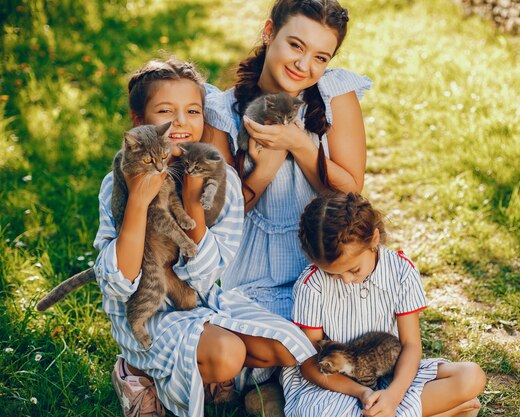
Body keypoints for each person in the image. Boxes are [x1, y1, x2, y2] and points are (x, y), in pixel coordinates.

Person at [93, 58, 316, 417]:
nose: (180, 122)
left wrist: (194, 199)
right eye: (166, 110)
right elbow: (119, 285)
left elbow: (206, 274)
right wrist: (137, 200)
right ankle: (135, 371)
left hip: (201, 300)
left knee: (293, 348)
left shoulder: (221, 176)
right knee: (229, 354)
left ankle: (196, 370)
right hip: (148, 313)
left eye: (193, 110)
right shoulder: (116, 184)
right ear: (138, 121)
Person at [203, 0, 371, 321]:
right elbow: (217, 218)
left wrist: (299, 144)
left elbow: (350, 195)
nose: (304, 65)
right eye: (296, 45)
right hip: (255, 280)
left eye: (320, 57)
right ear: (269, 33)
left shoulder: (335, 96)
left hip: (328, 269)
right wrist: (264, 171)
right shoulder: (223, 113)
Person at [281, 192, 487, 417]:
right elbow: (310, 362)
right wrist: (362, 393)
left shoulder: (401, 271)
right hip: (335, 383)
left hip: (387, 372)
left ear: (374, 240)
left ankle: (395, 410)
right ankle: (443, 411)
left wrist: (393, 396)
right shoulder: (311, 285)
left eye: (353, 270)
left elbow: (411, 345)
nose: (347, 281)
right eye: (334, 275)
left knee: (471, 377)